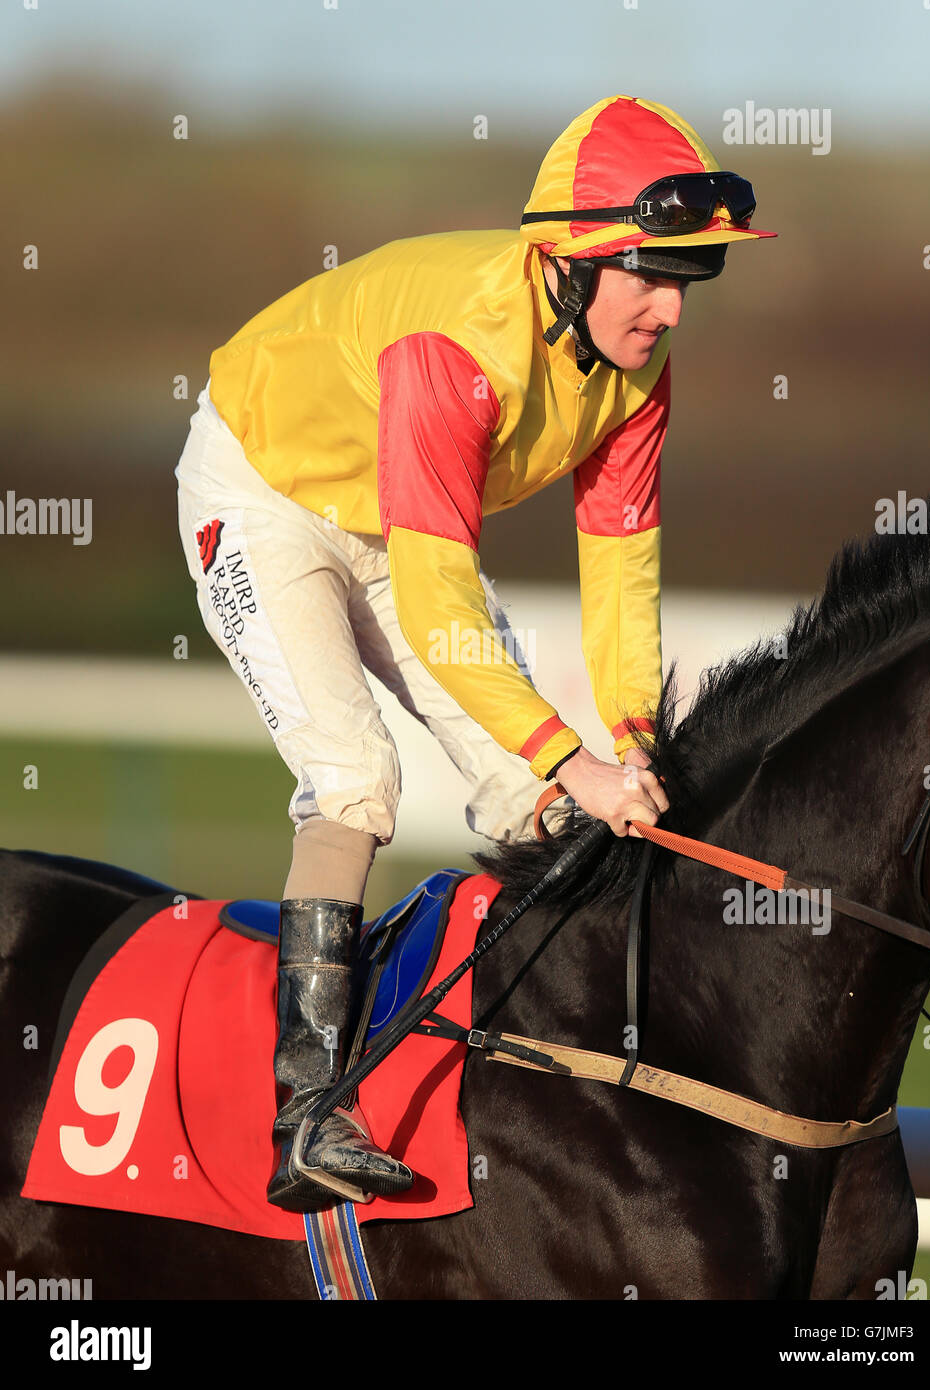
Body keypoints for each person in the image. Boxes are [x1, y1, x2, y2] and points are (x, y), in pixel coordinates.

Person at [174, 94, 774, 1212]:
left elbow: (621, 566)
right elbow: (444, 589)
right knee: (358, 783)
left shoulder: (634, 370)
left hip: (396, 521)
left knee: (527, 796)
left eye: (688, 279)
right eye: (648, 276)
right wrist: (570, 755)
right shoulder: (458, 344)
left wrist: (632, 743)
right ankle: (306, 1109)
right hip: (260, 493)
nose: (668, 311)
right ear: (567, 262)